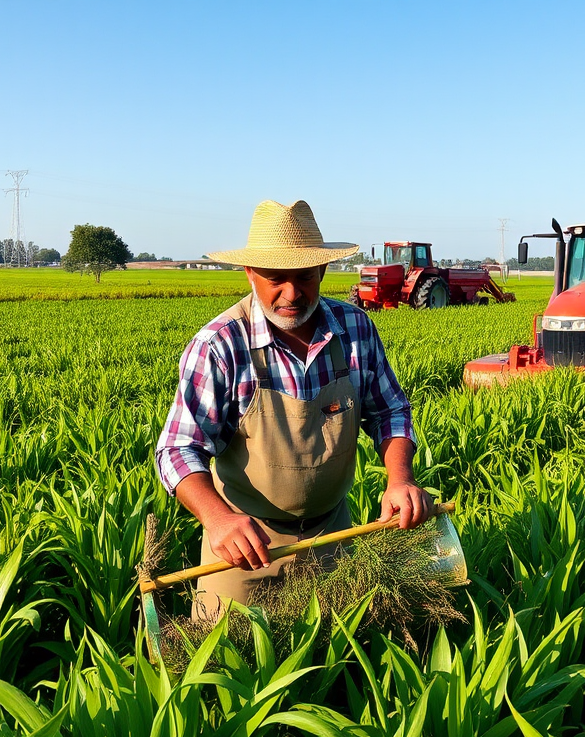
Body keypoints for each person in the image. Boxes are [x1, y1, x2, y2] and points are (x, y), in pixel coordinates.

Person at [155, 199, 433, 619]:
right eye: (275, 278)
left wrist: (400, 479)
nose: (291, 293)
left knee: (336, 661)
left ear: (322, 271)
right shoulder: (220, 345)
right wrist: (218, 519)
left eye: (304, 277)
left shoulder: (355, 329)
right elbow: (178, 448)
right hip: (245, 547)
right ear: (249, 274)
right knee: (229, 667)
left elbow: (389, 411)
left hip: (334, 535)